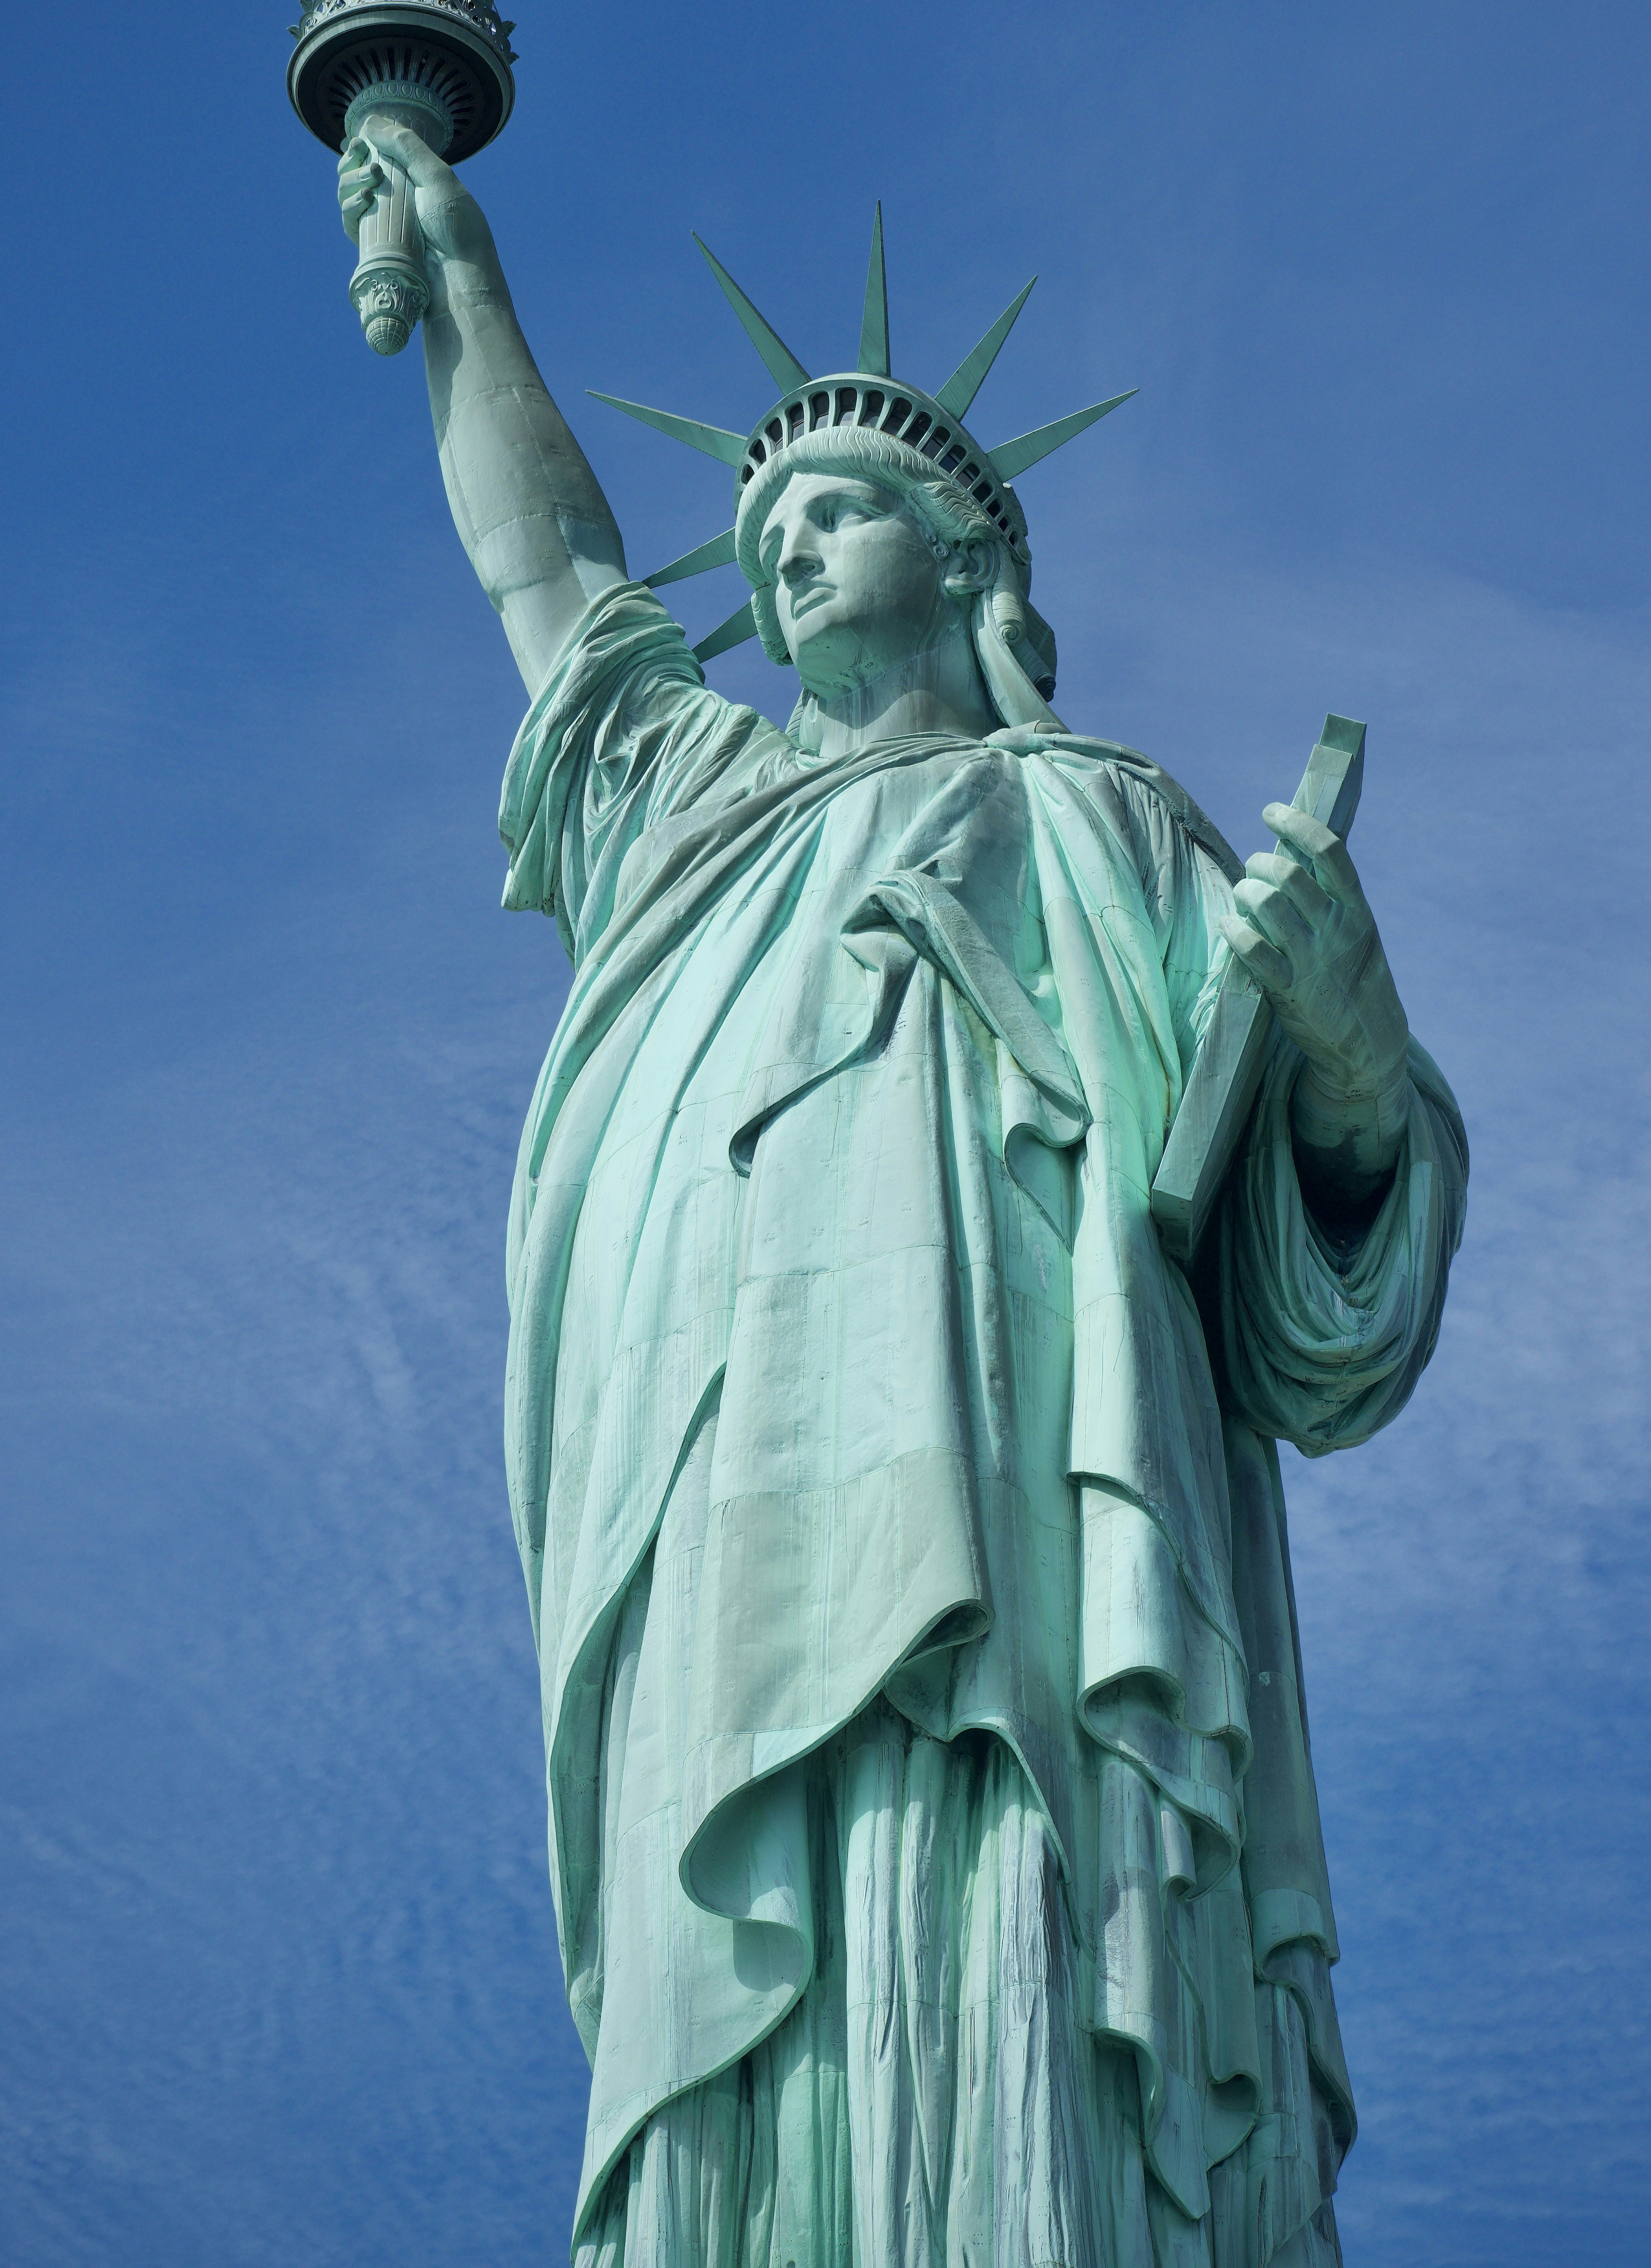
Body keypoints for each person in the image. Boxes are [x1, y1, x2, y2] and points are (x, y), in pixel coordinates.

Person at [338, 123, 1468, 2268]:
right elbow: (548, 582)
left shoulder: (1104, 828)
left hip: (1045, 1498)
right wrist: (467, 281)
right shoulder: (696, 812)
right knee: (770, 2006)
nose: (780, 559)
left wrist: (1338, 1038)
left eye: (831, 511)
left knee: (1016, 1937)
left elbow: (1310, 1294)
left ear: (961, 557)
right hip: (738, 1504)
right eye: (758, 532)